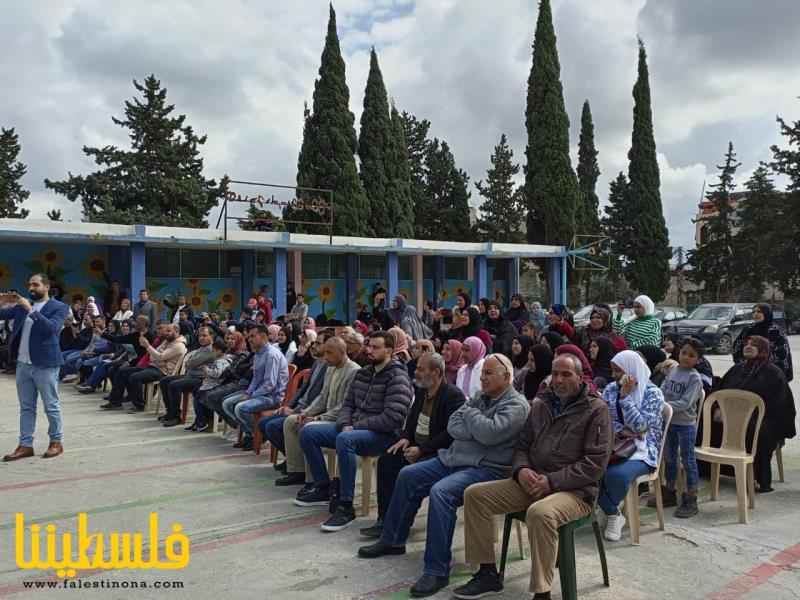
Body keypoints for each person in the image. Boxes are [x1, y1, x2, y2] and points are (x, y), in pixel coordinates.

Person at [356, 354, 530, 599]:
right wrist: (475, 425)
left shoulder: (516, 405)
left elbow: (489, 434)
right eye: (482, 374)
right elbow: (453, 427)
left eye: (489, 374)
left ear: (507, 377)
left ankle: (436, 570)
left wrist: (471, 418)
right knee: (408, 474)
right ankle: (393, 539)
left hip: (486, 468)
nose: (483, 378)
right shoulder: (480, 398)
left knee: (441, 492)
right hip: (455, 458)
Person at [455, 354, 612, 600]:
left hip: (574, 491)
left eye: (566, 374)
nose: (558, 380)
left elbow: (595, 465)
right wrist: (521, 470)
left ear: (580, 378)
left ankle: (542, 592)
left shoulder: (596, 410)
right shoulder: (540, 404)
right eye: (555, 373)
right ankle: (486, 573)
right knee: (475, 495)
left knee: (540, 513)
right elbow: (522, 446)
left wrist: (552, 481)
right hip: (532, 481)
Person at [294, 331, 413, 533]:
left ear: (390, 351)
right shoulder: (364, 373)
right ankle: (323, 486)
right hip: (352, 428)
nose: (369, 350)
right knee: (308, 432)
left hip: (382, 435)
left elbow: (393, 417)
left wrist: (355, 426)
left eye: (376, 347)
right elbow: (347, 405)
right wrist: (345, 422)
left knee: (345, 439)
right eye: (369, 346)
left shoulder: (397, 376)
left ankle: (346, 505)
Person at [359, 353, 465, 539]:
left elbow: (450, 434)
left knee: (409, 474)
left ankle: (399, 526)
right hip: (416, 446)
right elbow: (412, 420)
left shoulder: (452, 396)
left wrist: (422, 450)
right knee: (387, 461)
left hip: (438, 452)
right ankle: (384, 519)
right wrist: (406, 438)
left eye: (421, 369)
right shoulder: (423, 391)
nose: (416, 372)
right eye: (416, 368)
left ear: (436, 372)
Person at [1, 274, 71, 461]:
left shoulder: (59, 307)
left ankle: (56, 442)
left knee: (51, 406)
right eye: (29, 284)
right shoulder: (20, 307)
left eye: (35, 284)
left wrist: (30, 309)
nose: (31, 288)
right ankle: (25, 445)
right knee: (26, 407)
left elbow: (51, 329)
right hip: (23, 365)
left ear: (46, 286)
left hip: (46, 364)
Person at [599, 350, 664, 541]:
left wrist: (626, 398)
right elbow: (606, 418)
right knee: (587, 468)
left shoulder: (653, 394)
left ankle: (610, 510)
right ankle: (613, 512)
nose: (614, 376)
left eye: (618, 371)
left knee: (615, 475)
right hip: (615, 443)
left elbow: (641, 427)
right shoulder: (611, 388)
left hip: (644, 449)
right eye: (612, 371)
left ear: (631, 370)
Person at [276, 337, 359, 487]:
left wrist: (317, 418)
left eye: (329, 353)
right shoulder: (331, 368)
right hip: (326, 415)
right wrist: (306, 413)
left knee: (307, 428)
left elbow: (344, 406)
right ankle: (297, 471)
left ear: (342, 352)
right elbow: (322, 397)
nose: (325, 357)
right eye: (325, 352)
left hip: (340, 419)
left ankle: (314, 480)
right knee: (291, 421)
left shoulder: (354, 371)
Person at [717, 335, 795, 493]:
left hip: (764, 418)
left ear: (764, 349)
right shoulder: (737, 368)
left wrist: (751, 416)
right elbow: (721, 391)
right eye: (747, 344)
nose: (748, 346)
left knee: (757, 430)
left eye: (754, 344)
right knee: (709, 423)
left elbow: (780, 405)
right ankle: (714, 470)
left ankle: (759, 478)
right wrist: (719, 409)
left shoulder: (774, 373)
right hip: (732, 416)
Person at [262, 332, 330, 473]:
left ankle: (298, 467)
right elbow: (303, 389)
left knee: (273, 426)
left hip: (310, 411)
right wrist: (288, 406)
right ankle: (293, 460)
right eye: (314, 342)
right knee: (263, 423)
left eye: (318, 343)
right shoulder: (317, 362)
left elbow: (321, 399)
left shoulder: (329, 367)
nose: (313, 346)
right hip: (299, 406)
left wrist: (296, 411)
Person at [654, 337, 704, 517]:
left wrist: (665, 407)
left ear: (698, 360)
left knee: (688, 460)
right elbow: (662, 389)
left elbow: (685, 402)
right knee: (669, 457)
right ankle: (670, 491)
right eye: (683, 353)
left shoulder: (695, 378)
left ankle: (691, 497)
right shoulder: (673, 370)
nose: (685, 357)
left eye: (691, 356)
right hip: (669, 423)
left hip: (685, 425)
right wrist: (658, 401)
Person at [221, 325, 289, 451]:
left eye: (252, 336)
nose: (249, 339)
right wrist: (248, 392)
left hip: (272, 397)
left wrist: (252, 395)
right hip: (260, 393)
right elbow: (256, 379)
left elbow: (270, 384)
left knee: (241, 408)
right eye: (249, 336)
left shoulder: (271, 355)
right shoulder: (258, 353)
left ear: (263, 336)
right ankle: (251, 434)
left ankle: (258, 435)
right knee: (226, 404)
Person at [158, 326, 216, 427]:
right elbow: (190, 363)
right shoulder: (200, 349)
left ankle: (176, 417)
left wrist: (191, 362)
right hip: (190, 375)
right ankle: (170, 411)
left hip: (200, 379)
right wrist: (191, 362)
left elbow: (190, 363)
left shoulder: (211, 350)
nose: (201, 338)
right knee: (164, 380)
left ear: (211, 336)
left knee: (174, 385)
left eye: (204, 336)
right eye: (200, 336)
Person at [133, 323, 188, 412]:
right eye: (166, 331)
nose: (166, 333)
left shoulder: (179, 345)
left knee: (135, 377)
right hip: (154, 366)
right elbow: (153, 356)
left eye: (169, 331)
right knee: (125, 371)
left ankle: (140, 405)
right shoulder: (167, 341)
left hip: (162, 371)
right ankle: (119, 400)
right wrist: (159, 358)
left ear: (177, 331)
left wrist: (148, 346)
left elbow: (159, 356)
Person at [732, 303, 793, 382]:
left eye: (759, 312)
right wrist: (744, 364)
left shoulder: (775, 331)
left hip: (770, 373)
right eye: (753, 312)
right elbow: (737, 347)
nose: (755, 314)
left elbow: (782, 353)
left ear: (766, 313)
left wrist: (764, 367)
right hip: (748, 371)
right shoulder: (748, 329)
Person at [186, 337, 231, 432]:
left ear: (219, 351)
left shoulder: (221, 361)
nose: (212, 353)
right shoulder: (218, 360)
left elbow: (217, 374)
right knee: (196, 395)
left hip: (213, 386)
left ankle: (202, 422)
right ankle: (198, 421)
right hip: (208, 384)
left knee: (198, 399)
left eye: (214, 351)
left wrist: (206, 370)